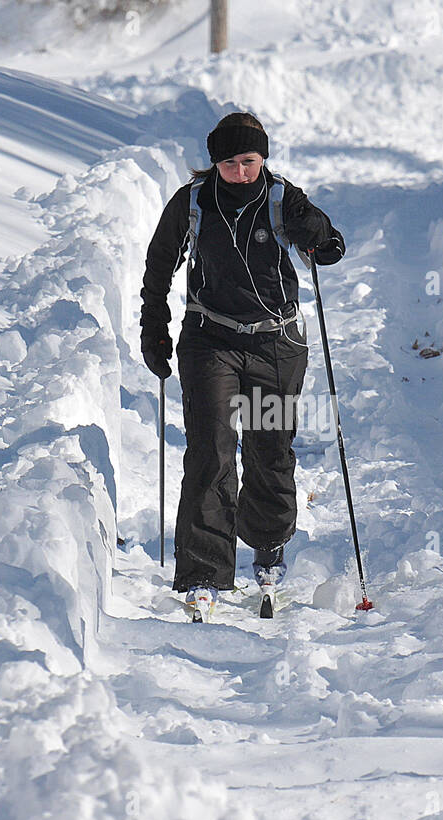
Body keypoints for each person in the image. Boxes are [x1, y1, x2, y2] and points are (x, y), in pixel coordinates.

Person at [139, 112, 345, 613]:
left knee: (269, 451)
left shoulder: (282, 198)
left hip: (276, 346)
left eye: (248, 161)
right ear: (214, 163)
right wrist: (153, 326)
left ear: (263, 158)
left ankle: (267, 542)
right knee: (211, 449)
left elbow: (331, 249)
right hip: (210, 341)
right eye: (229, 163)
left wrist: (315, 233)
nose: (240, 172)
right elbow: (159, 263)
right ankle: (203, 571)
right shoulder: (193, 202)